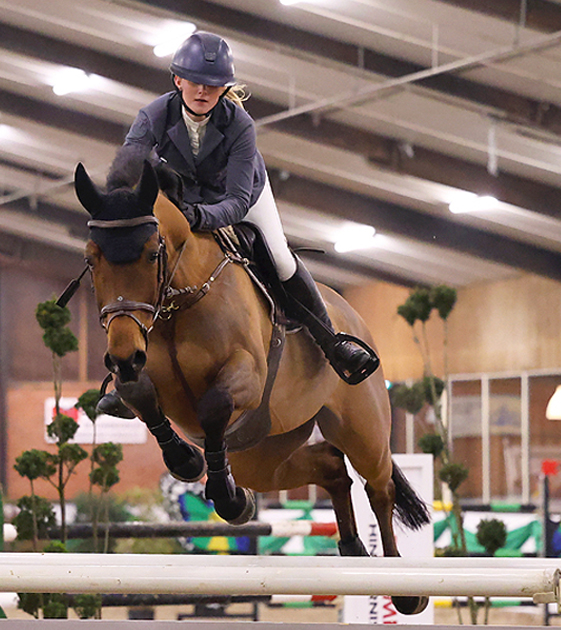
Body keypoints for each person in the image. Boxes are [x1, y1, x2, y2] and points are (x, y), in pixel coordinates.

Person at [99, 32, 376, 418]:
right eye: (194, 82)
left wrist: (198, 217)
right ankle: (125, 376)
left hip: (242, 198)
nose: (202, 91)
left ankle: (332, 341)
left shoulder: (239, 125)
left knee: (278, 257)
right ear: (178, 81)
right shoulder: (152, 117)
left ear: (223, 88)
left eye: (212, 85)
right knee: (146, 261)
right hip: (182, 201)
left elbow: (237, 201)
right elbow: (127, 169)